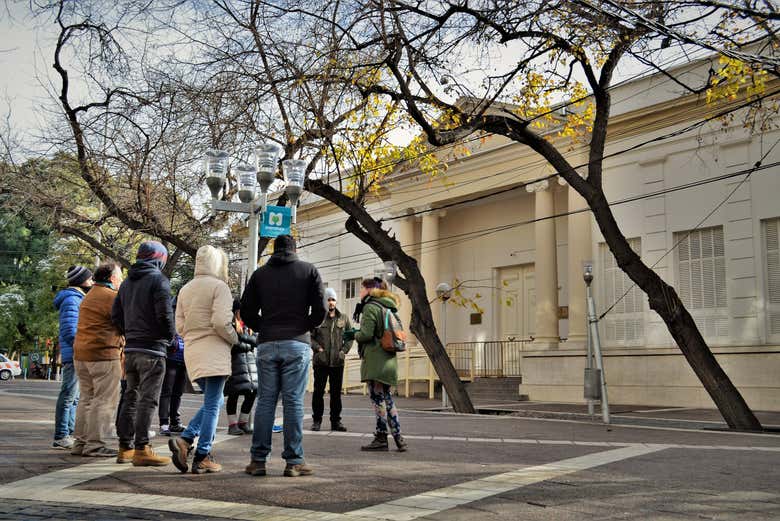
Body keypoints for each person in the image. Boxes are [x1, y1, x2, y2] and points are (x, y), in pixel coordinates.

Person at [240, 234, 326, 478]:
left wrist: (263, 327)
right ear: (294, 249)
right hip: (297, 343)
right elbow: (320, 309)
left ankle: (258, 461)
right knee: (293, 402)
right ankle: (294, 461)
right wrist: (303, 326)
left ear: (274, 250)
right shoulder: (309, 271)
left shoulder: (260, 274)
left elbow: (246, 311)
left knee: (266, 400)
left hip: (267, 343)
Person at [169, 246, 237, 474]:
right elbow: (220, 322)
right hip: (215, 349)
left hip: (193, 351)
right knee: (213, 405)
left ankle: (186, 440)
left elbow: (179, 326)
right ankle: (202, 454)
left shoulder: (185, 289)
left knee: (214, 401)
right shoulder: (220, 287)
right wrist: (236, 338)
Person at [112, 241, 174, 467]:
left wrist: (128, 333)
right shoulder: (159, 280)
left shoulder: (127, 283)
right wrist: (170, 338)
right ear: (159, 259)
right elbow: (165, 315)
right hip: (152, 349)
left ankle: (125, 447)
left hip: (131, 349)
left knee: (130, 396)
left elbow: (115, 315)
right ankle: (142, 448)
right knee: (148, 399)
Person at [71, 262, 124, 457]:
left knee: (86, 398)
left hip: (82, 353)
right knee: (104, 401)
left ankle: (80, 443)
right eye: (119, 276)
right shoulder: (111, 297)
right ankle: (95, 444)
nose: (121, 280)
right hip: (104, 353)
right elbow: (123, 322)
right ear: (111, 278)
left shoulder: (89, 296)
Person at [354, 278, 408, 452]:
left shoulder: (371, 306)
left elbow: (367, 334)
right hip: (389, 360)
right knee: (388, 399)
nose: (360, 292)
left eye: (362, 288)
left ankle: (381, 437)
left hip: (376, 360)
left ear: (370, 290)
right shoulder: (389, 306)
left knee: (378, 400)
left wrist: (354, 335)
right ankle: (399, 437)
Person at [52, 265, 94, 449]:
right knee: (69, 395)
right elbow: (70, 330)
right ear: (82, 280)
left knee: (75, 397)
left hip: (77, 352)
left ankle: (68, 433)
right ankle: (61, 435)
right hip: (76, 353)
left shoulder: (76, 298)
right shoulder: (71, 299)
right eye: (90, 278)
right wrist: (83, 346)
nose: (92, 282)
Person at [310, 287, 354, 432]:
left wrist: (344, 351)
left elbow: (349, 337)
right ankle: (317, 421)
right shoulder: (317, 317)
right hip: (321, 362)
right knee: (318, 392)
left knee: (336, 394)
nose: (331, 302)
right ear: (325, 301)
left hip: (337, 362)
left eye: (333, 299)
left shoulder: (343, 318)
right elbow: (309, 337)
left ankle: (336, 422)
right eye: (328, 299)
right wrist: (318, 349)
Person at [226, 300, 258, 436]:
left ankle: (243, 422)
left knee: (252, 393)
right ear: (236, 311)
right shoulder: (231, 324)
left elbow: (257, 341)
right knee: (233, 394)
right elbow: (235, 342)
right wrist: (246, 339)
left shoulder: (249, 325)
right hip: (235, 364)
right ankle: (232, 425)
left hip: (250, 365)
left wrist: (243, 337)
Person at [159, 330, 187, 437]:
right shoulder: (172, 316)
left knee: (178, 393)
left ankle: (175, 422)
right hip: (171, 358)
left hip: (184, 360)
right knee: (166, 392)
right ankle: (164, 423)